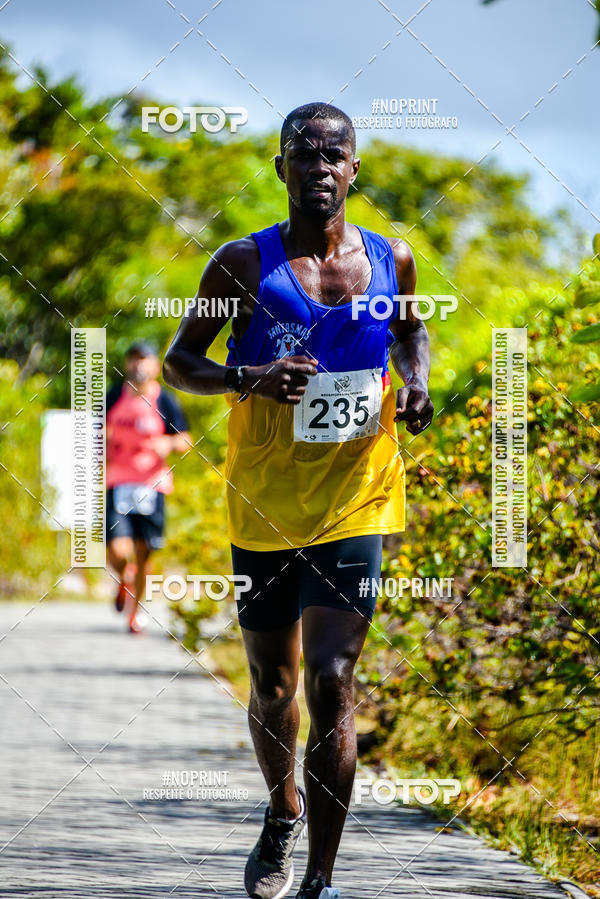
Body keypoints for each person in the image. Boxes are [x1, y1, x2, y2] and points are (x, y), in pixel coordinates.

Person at [163, 102, 433, 898]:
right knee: (274, 684)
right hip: (265, 503)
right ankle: (281, 809)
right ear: (281, 169)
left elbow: (411, 330)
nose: (319, 166)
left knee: (332, 678)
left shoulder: (394, 258)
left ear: (355, 169)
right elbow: (181, 363)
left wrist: (416, 381)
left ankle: (320, 877)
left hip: (359, 495)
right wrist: (247, 378)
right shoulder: (241, 265)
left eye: (334, 154)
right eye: (302, 153)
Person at [106, 340, 190, 633]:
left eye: (144, 359)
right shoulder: (114, 395)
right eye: (132, 358)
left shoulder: (165, 401)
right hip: (118, 482)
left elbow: (186, 439)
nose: (137, 365)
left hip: (152, 486)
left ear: (155, 365)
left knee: (145, 553)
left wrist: (167, 442)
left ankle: (135, 611)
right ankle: (124, 576)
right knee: (116, 549)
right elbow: (96, 430)